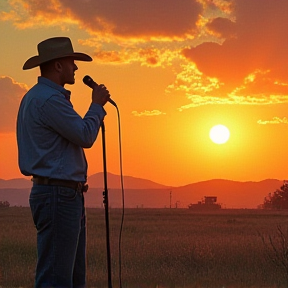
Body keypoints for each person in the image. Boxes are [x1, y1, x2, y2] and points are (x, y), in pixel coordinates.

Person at [16, 37, 111, 288]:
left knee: (70, 278)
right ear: (58, 66)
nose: (76, 69)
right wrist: (96, 106)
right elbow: (84, 135)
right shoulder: (49, 100)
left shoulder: (34, 98)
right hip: (58, 194)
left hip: (61, 194)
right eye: (72, 62)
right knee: (57, 279)